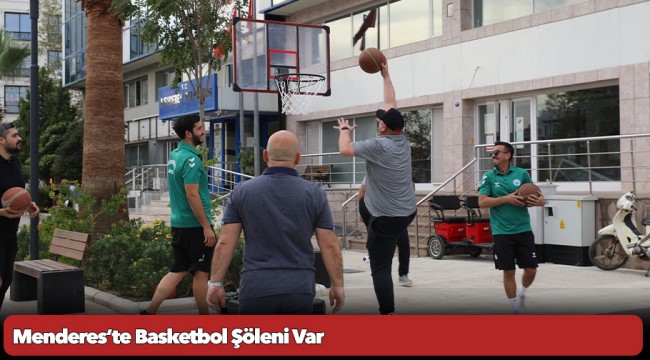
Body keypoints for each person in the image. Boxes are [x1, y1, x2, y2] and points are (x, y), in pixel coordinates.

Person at [206, 130, 344, 315]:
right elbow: (330, 245)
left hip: (256, 287)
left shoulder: (243, 191)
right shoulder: (314, 193)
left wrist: (215, 283)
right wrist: (337, 285)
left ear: (265, 155)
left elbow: (225, 242)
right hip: (299, 288)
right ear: (297, 158)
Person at [334, 62, 417, 315]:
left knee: (380, 267)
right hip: (407, 212)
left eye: (379, 120)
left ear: (383, 127)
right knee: (365, 196)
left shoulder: (379, 146)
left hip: (385, 217)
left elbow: (345, 150)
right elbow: (391, 102)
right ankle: (370, 220)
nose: (378, 120)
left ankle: (388, 312)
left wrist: (345, 131)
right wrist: (386, 75)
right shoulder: (401, 138)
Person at [141, 115, 216, 315]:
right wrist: (206, 227)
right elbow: (192, 194)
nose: (203, 132)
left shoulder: (175, 155)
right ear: (188, 133)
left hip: (179, 224)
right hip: (195, 226)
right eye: (200, 129)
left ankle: (149, 311)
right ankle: (205, 316)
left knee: (178, 269)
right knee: (201, 272)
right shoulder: (191, 160)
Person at [478, 140, 544, 314]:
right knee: (508, 271)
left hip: (523, 229)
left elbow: (538, 196)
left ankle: (522, 293)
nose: (493, 156)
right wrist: (506, 199)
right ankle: (514, 309)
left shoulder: (522, 174)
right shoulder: (488, 177)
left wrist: (539, 202)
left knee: (531, 269)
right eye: (492, 153)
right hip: (501, 232)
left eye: (496, 153)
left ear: (507, 155)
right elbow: (482, 202)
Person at [0, 122, 39, 310]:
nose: (19, 138)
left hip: (10, 232)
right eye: (14, 135)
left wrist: (28, 204)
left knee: (6, 280)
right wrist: (1, 212)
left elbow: (15, 194)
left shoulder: (15, 163)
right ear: (1, 140)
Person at [358, 178, 412, 287]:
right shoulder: (373, 172)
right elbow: (362, 191)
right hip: (377, 215)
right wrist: (362, 212)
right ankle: (380, 272)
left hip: (397, 214)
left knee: (404, 243)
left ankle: (403, 274)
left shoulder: (398, 172)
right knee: (380, 247)